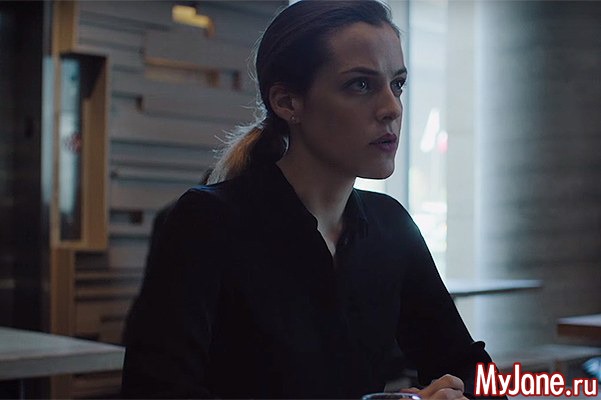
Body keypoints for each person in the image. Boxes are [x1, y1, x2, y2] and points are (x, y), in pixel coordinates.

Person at [121, 1, 496, 398]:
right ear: (287, 103)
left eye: (397, 85)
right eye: (361, 85)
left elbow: (472, 370)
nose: (392, 108)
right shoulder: (208, 222)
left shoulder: (391, 227)